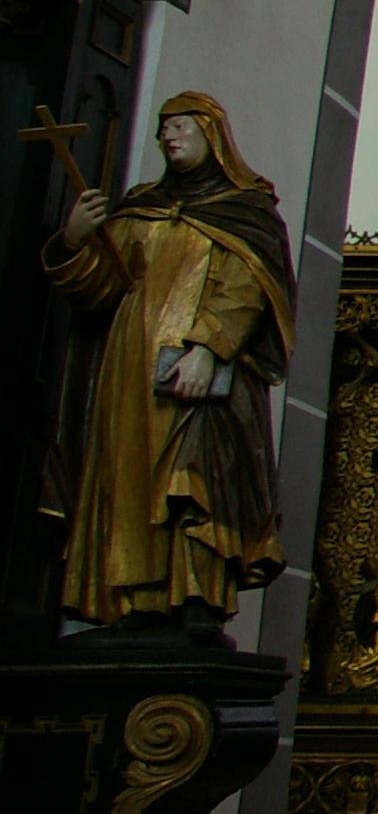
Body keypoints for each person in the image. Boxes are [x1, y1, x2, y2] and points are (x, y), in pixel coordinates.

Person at [41, 92, 294, 631]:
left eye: (181, 126)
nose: (169, 137)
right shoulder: (141, 207)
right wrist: (75, 240)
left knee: (193, 477)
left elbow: (248, 288)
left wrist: (208, 348)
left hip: (196, 367)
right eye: (163, 129)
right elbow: (99, 289)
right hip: (129, 366)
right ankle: (133, 603)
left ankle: (195, 597)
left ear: (212, 133)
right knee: (125, 473)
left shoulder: (246, 210)